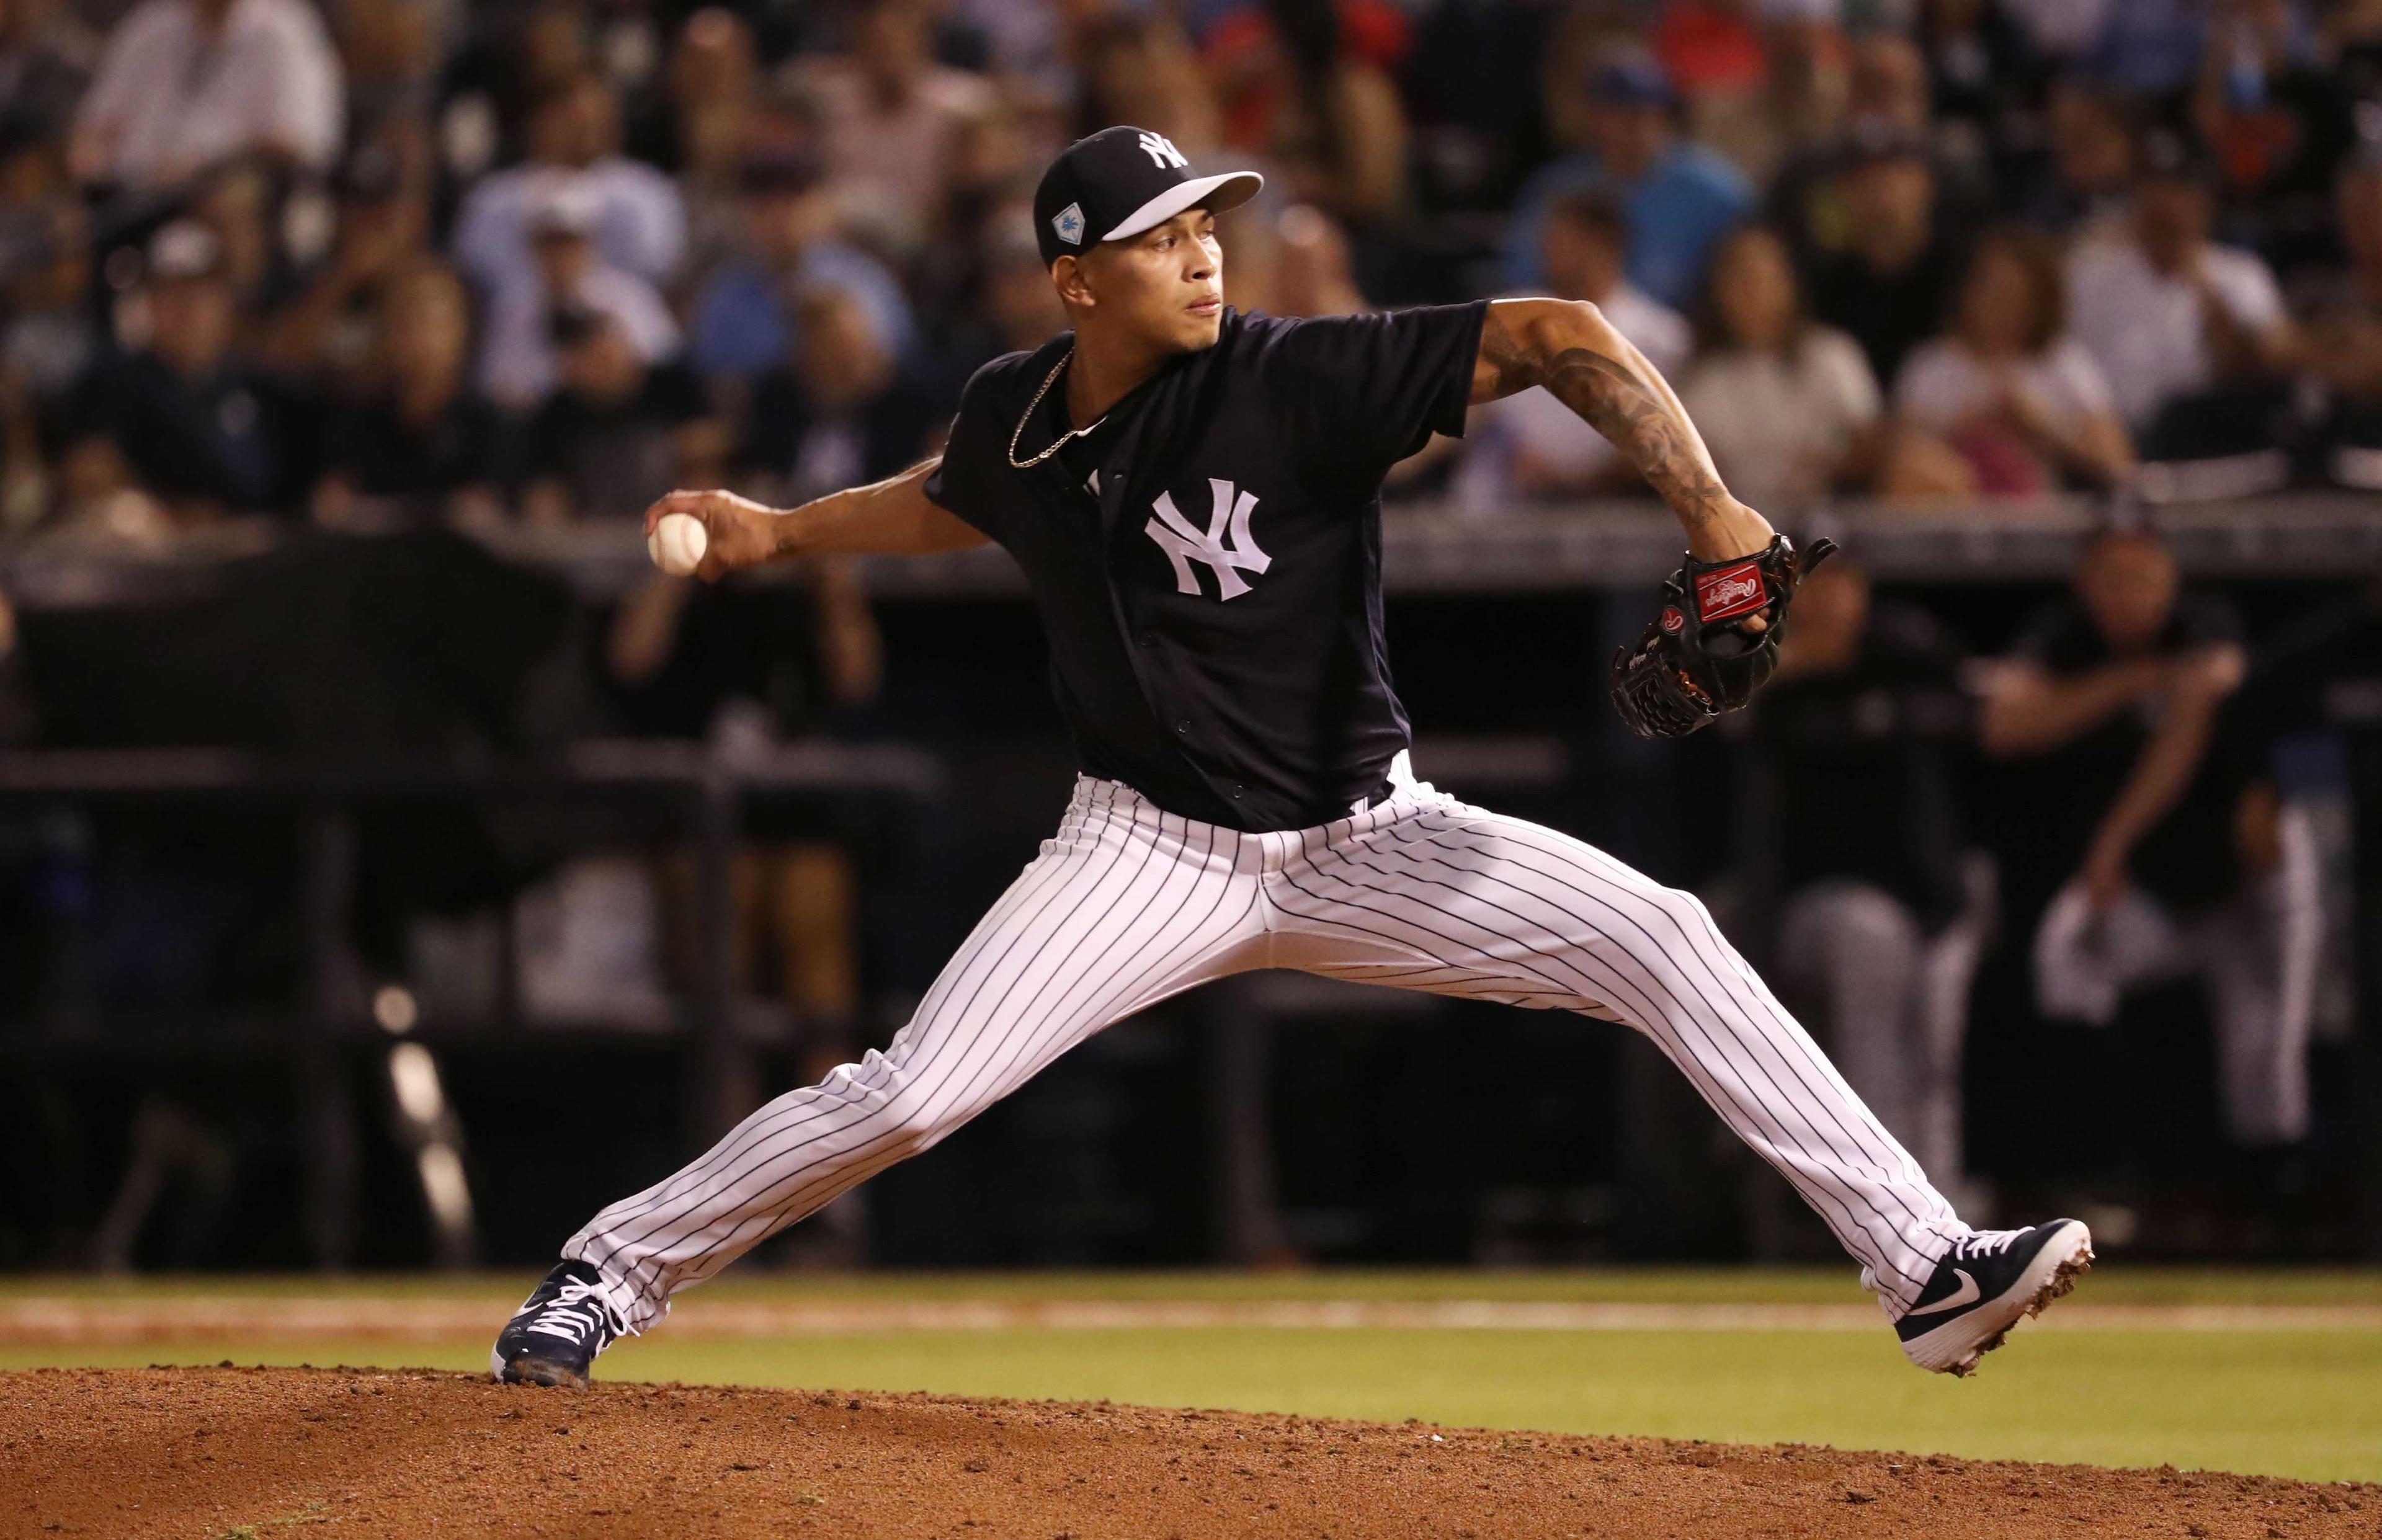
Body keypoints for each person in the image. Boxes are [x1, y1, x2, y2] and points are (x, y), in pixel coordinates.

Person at [492, 125, 2091, 1390]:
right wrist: (776, 532)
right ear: (1073, 282)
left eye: (1207, 227)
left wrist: (1710, 509)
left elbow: (1558, 330)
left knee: (1663, 929)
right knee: (910, 1094)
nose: (1202, 254)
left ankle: (1925, 1268)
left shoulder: (1289, 378)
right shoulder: (1019, 418)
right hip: (1145, 851)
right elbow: (938, 491)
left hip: (1365, 836)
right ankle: (607, 1269)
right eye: (1162, 237)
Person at [1980, 528, 2316, 1188]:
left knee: (2270, 1031)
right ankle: (2094, 1169)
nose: (2126, 594)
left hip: (2248, 862)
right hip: (2155, 876)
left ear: (2170, 576)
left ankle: (2277, 1193)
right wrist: (2135, 678)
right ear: (2084, 584)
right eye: (2109, 577)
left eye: (2142, 576)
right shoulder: (2066, 633)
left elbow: (2188, 731)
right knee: (2065, 959)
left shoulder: (2208, 621)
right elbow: (2005, 726)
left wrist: (2112, 841)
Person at [1748, 552, 1986, 1197]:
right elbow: (1698, 710)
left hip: (1934, 898)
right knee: (1869, 951)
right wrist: (1786, 664)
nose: (1829, 599)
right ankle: (1887, 1203)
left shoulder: (1909, 657)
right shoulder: (1760, 673)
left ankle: (1943, 1206)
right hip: (1820, 907)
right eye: (1812, 585)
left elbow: (1991, 716)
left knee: (1936, 1049)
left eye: (1842, 582)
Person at [2064, 129, 2295, 446]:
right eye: (2154, 188)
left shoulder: (2241, 276)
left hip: (2209, 438)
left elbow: (2269, 367)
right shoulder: (2092, 274)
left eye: (2179, 191)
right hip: (2113, 439)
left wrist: (2208, 296)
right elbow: (2064, 367)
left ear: (2202, 201)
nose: (2166, 204)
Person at [1460, 190, 1692, 504]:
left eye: (1563, 240)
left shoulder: (1662, 336)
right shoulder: (1511, 313)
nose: (1548, 250)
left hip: (1609, 509)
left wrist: (1572, 479)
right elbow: (1470, 408)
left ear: (1605, 244)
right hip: (1504, 504)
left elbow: (1664, 444)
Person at [1889, 228, 2133, 494]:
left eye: (2014, 294)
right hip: (1951, 514)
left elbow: (2117, 462)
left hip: (2043, 518)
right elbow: (1899, 453)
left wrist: (2041, 428)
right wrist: (1965, 429)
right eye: (1989, 288)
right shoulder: (1930, 365)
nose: (1998, 305)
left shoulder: (2064, 365)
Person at [1505, 51, 1752, 308]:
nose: (1634, 125)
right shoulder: (1558, 188)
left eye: (1646, 112)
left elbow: (1749, 270)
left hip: (1686, 336)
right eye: (1618, 112)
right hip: (1573, 327)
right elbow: (1521, 274)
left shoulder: (1714, 191)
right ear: (1594, 117)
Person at [1679, 224, 1880, 512]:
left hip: (1832, 521)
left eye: (1760, 277)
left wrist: (1830, 466)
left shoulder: (1832, 356)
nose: (1751, 292)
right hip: (1732, 527)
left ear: (1788, 283)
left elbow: (1867, 440)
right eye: (1736, 279)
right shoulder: (1700, 376)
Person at [312, 260, 507, 530]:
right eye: (406, 317)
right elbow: (331, 507)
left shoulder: (491, 427)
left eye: (431, 319)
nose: (418, 333)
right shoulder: (356, 422)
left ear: (460, 330)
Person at [69, 0, 342, 190]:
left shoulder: (285, 31)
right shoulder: (150, 25)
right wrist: (91, 173)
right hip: (130, 197)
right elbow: (95, 127)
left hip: (214, 195)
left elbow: (297, 145)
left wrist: (199, 170)